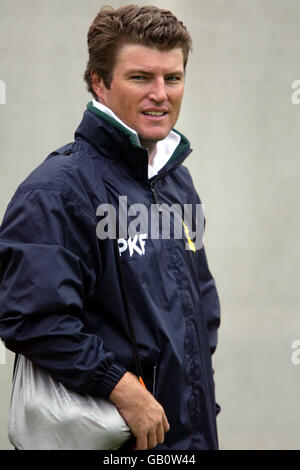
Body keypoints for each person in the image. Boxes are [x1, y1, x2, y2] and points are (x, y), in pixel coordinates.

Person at [0, 5, 221, 450]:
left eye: (173, 78)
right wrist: (121, 387)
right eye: (141, 77)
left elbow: (201, 305)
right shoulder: (56, 191)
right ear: (99, 82)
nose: (161, 94)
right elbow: (30, 317)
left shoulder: (177, 181)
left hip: (188, 435)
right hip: (115, 438)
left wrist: (200, 403)